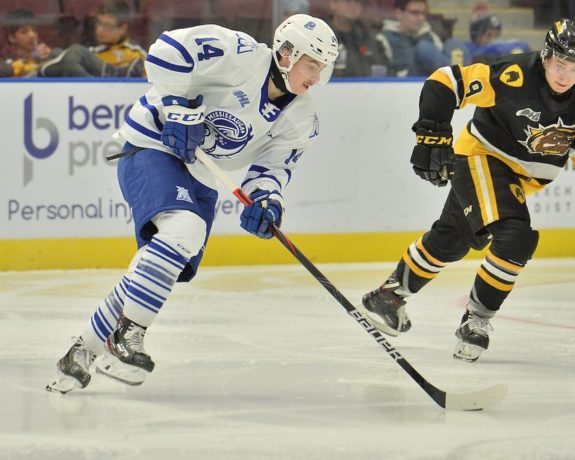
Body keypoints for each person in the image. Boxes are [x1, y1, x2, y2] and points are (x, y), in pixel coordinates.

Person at [46, 14, 339, 393]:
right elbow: (167, 49)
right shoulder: (239, 53)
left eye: (323, 67)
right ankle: (127, 335)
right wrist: (178, 107)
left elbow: (273, 170)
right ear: (286, 53)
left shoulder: (302, 118)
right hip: (153, 145)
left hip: (202, 175)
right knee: (186, 229)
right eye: (311, 64)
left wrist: (266, 202)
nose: (316, 76)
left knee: (170, 254)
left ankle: (82, 350)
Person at [360, 18, 575, 362]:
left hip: (518, 177)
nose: (564, 76)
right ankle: (476, 320)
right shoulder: (515, 75)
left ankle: (389, 296)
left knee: (452, 239)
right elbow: (445, 81)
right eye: (559, 64)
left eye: (574, 68)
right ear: (546, 55)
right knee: (515, 237)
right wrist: (432, 133)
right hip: (482, 157)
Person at [0, 9, 143, 78]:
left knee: (58, 53)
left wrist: (48, 58)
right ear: (12, 38)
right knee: (73, 53)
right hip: (27, 87)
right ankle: (112, 76)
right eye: (24, 32)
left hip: (50, 85)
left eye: (34, 30)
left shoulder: (41, 57)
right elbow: (13, 71)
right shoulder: (7, 63)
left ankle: (116, 73)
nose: (32, 35)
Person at [376, 0, 469, 77]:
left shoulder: (430, 35)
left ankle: (464, 78)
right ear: (399, 13)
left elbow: (440, 61)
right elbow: (383, 71)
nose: (421, 18)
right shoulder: (384, 38)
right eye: (415, 13)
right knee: (423, 48)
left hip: (432, 80)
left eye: (423, 13)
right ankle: (459, 78)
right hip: (404, 82)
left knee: (453, 43)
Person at [327, 0, 393, 77]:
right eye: (348, 1)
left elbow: (389, 74)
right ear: (333, 4)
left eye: (357, 1)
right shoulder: (319, 37)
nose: (353, 5)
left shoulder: (370, 41)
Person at [88, 0, 147, 67]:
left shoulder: (137, 55)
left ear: (123, 28)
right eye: (99, 23)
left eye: (107, 25)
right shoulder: (91, 55)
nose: (100, 29)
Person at [465, 5, 530, 64]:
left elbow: (524, 45)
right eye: (489, 35)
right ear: (477, 36)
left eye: (496, 35)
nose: (493, 39)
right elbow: (480, 51)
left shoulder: (498, 45)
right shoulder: (468, 48)